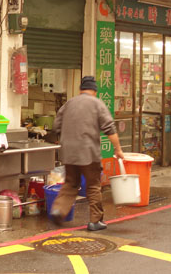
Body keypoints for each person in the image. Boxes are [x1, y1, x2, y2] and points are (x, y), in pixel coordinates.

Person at [51, 75, 124, 231]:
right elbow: (109, 128)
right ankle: (95, 221)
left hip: (68, 152)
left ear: (80, 89)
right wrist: (118, 149)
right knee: (93, 186)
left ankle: (58, 210)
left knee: (71, 183)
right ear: (95, 91)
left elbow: (56, 125)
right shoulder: (97, 104)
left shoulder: (69, 103)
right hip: (88, 152)